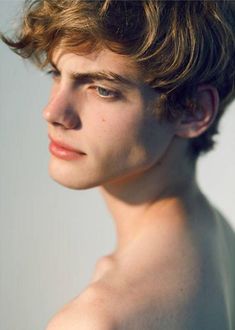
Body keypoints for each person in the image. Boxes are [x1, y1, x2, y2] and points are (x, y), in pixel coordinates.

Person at [1, 0, 235, 329]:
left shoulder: (96, 319)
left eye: (102, 89)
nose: (53, 112)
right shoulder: (215, 236)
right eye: (57, 73)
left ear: (193, 110)